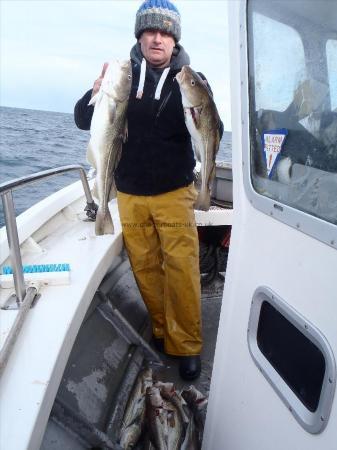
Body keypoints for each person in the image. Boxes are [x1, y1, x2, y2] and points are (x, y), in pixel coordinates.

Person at [74, 0, 222, 380]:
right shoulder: (121, 77)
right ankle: (162, 331)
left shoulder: (192, 81)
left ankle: (187, 345)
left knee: (181, 269)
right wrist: (94, 93)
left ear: (175, 40)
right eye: (150, 31)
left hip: (174, 191)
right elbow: (83, 120)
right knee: (144, 268)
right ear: (140, 37)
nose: (157, 39)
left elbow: (211, 127)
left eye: (165, 33)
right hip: (130, 193)